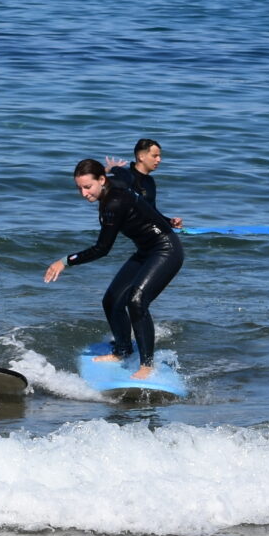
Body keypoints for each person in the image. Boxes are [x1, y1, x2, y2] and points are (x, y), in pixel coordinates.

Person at [45, 157, 183, 380]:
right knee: (111, 301)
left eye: (87, 187)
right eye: (79, 188)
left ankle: (147, 364)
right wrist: (115, 168)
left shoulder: (113, 204)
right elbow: (128, 176)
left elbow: (102, 249)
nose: (84, 194)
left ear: (101, 180)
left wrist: (65, 261)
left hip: (166, 250)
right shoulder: (115, 183)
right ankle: (123, 350)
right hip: (145, 251)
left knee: (136, 301)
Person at [105, 137, 184, 230]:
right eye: (155, 156)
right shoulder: (125, 177)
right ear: (141, 157)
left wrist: (170, 222)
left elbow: (152, 210)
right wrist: (110, 169)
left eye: (159, 156)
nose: (159, 160)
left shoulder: (149, 181)